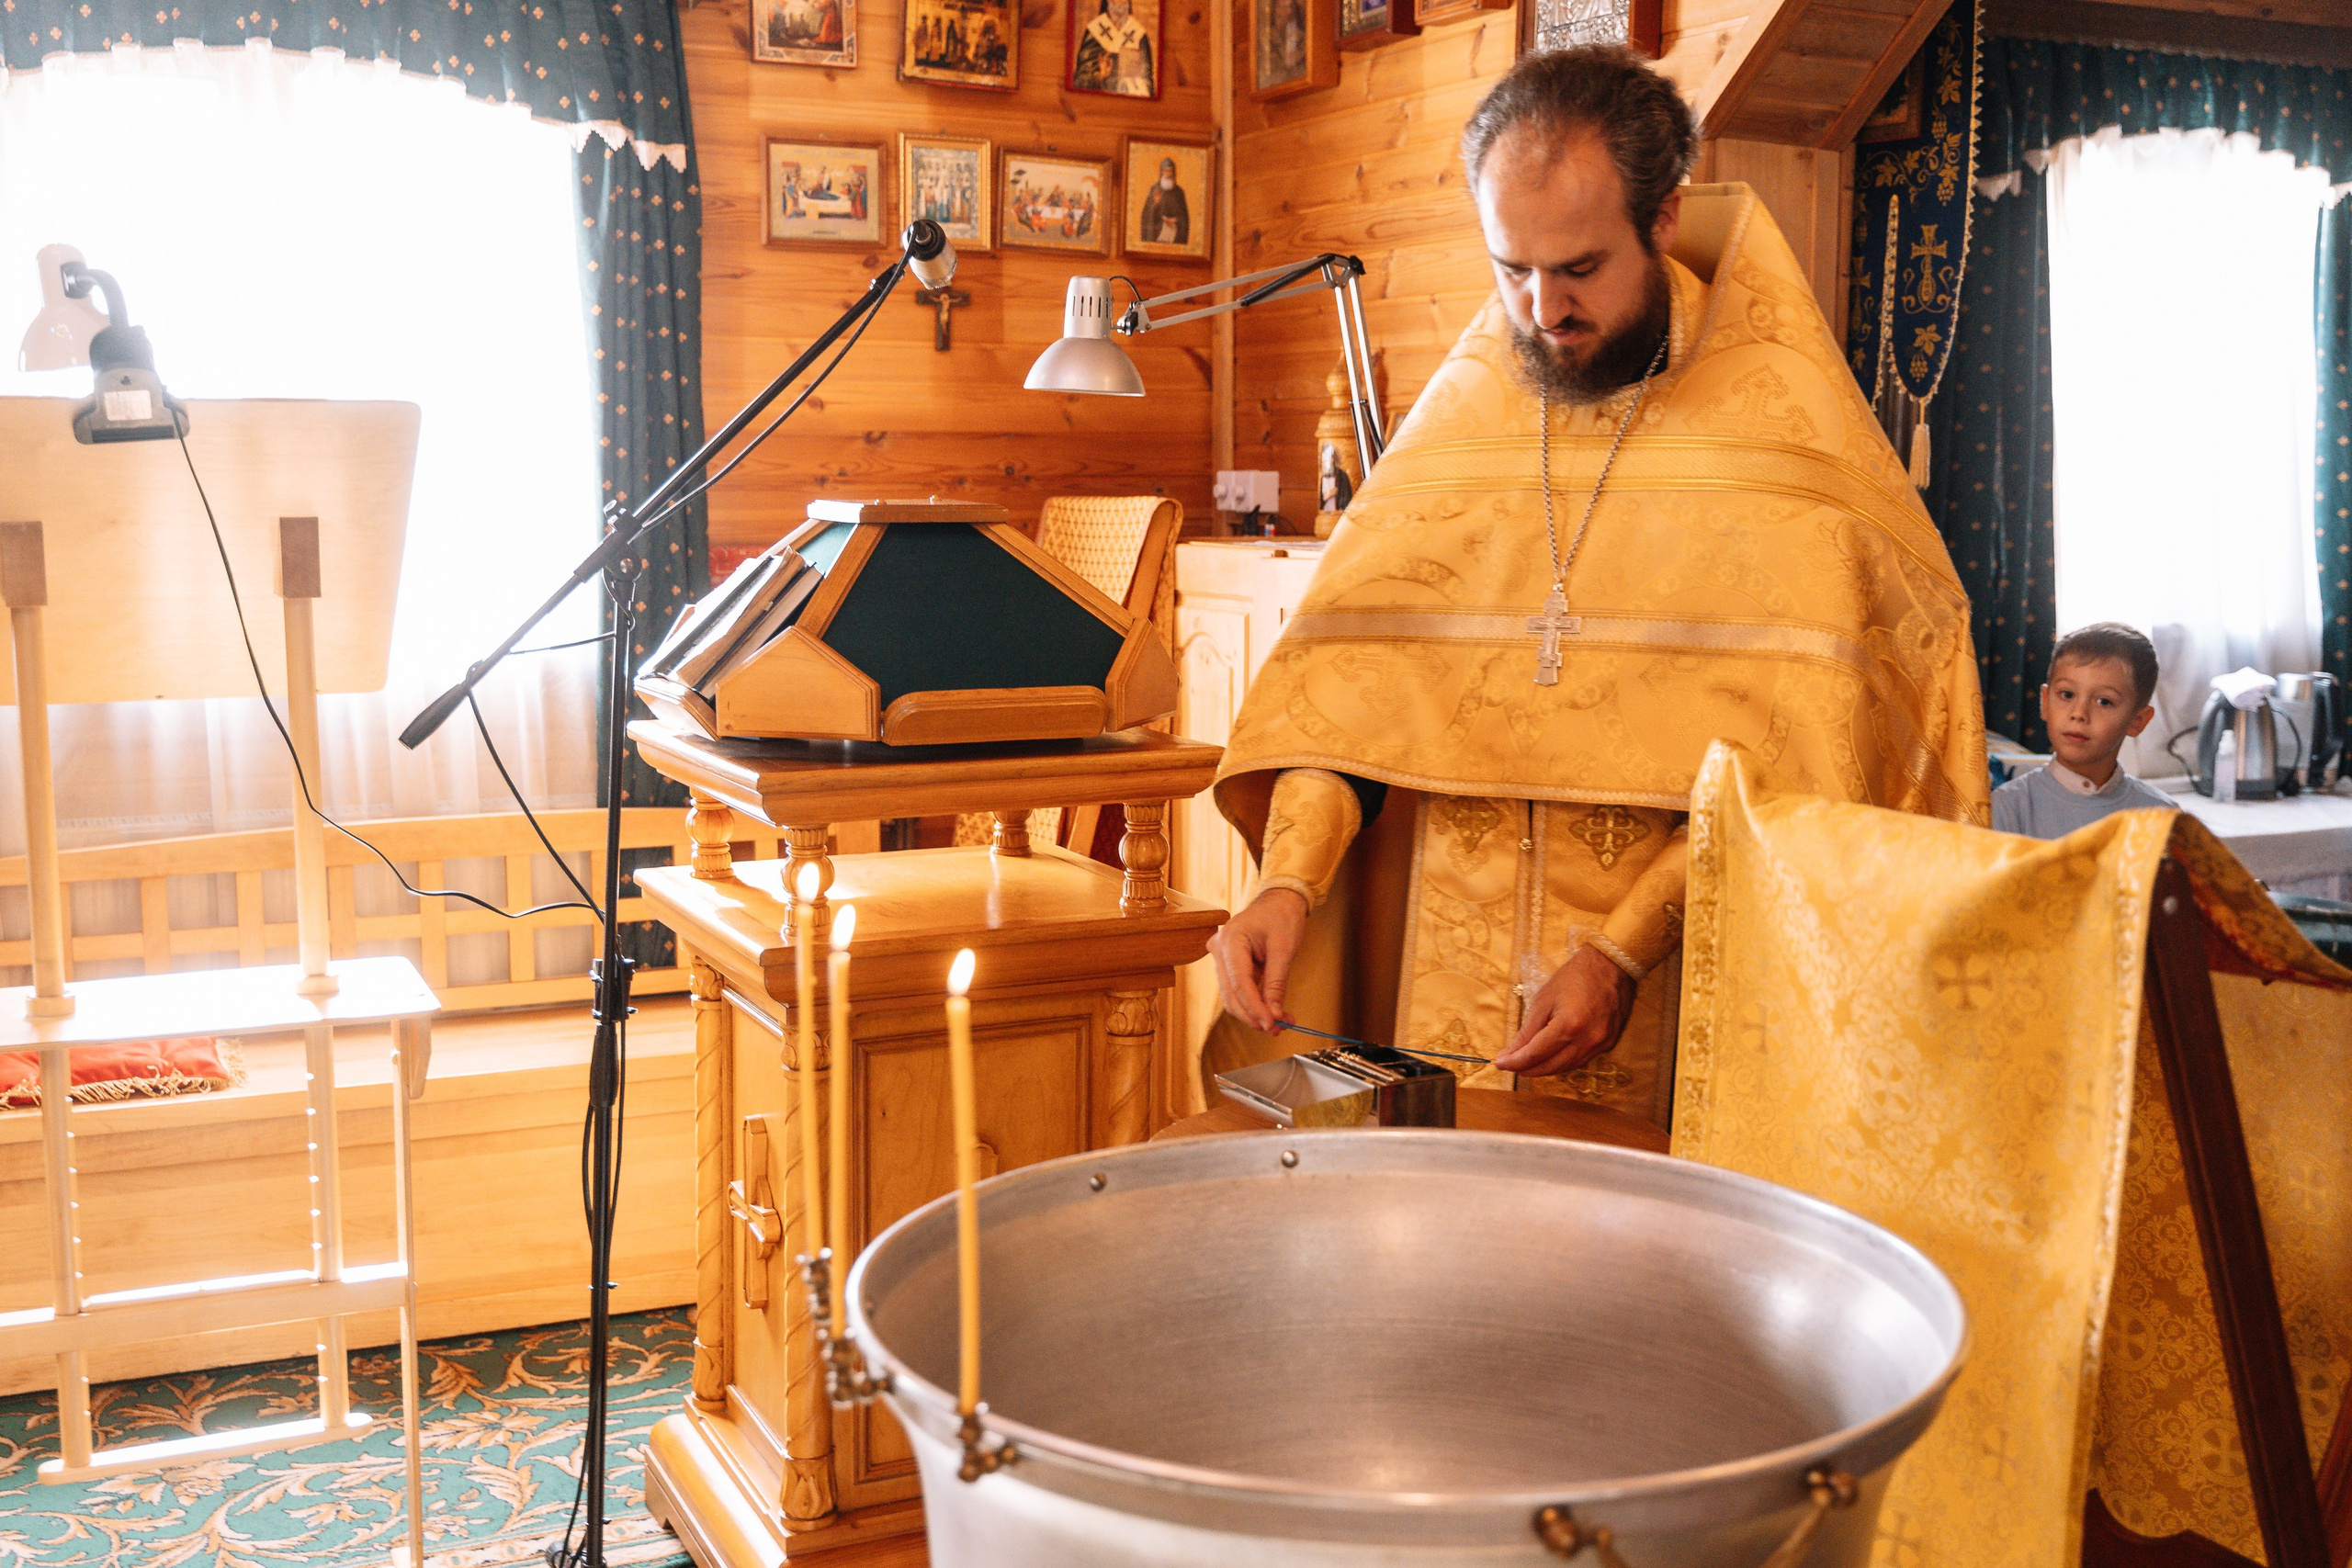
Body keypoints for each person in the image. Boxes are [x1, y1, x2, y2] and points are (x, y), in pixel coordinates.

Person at [1204, 46, 1988, 1130]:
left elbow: (1810, 772)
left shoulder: (1781, 454)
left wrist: (1623, 950)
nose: (1539, 309)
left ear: (1663, 218)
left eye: (1577, 267)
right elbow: (1352, 715)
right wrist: (1287, 880)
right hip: (1438, 995)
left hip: (1678, 1003)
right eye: (1508, 269)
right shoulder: (1458, 435)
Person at [1991, 624, 2176, 839]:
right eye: (2067, 695)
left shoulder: (2163, 817)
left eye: (2104, 701)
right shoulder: (2008, 808)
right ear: (2045, 702)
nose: (2079, 713)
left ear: (2137, 721)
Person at [1073, 0, 1155, 96]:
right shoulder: (1095, 31)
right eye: (1115, 1)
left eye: (1123, 2)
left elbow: (1147, 81)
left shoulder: (1138, 34)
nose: (1120, 4)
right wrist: (1100, 75)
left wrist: (1136, 84)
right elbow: (1080, 81)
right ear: (1108, 2)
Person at [1139, 157, 1188, 245]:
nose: (1168, 174)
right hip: (1157, 233)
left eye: (1170, 171)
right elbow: (1146, 216)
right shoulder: (1154, 189)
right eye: (1165, 171)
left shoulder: (1179, 192)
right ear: (1161, 172)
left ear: (1173, 173)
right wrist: (1156, 204)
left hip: (1174, 235)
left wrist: (1175, 220)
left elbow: (1185, 217)